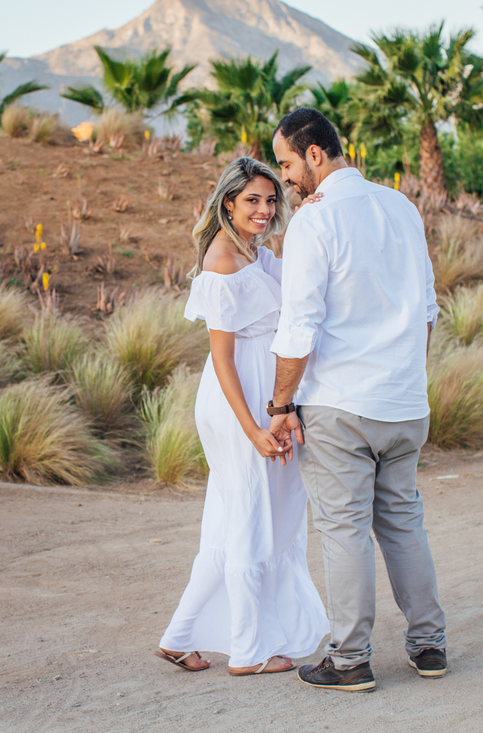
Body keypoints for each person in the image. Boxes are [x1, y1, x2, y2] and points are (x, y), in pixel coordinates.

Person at [267, 107, 446, 693]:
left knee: (344, 530)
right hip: (404, 403)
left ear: (315, 153)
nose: (286, 178)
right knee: (404, 525)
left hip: (341, 406)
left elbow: (298, 330)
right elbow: (426, 310)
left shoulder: (314, 225)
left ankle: (349, 660)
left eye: (288, 163)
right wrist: (403, 377)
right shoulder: (402, 207)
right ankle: (428, 646)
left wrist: (279, 405)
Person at [155, 157, 329, 676]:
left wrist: (308, 212)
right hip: (239, 398)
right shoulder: (223, 260)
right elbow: (222, 358)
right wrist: (253, 427)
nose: (264, 209)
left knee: (240, 521)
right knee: (253, 516)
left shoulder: (255, 248)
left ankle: (178, 636)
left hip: (265, 392)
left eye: (271, 199)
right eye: (252, 199)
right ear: (228, 201)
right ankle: (248, 651)